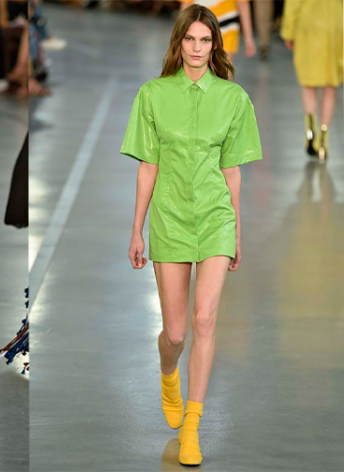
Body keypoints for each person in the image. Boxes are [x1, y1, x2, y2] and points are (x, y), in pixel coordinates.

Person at [120, 4, 262, 466]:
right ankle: (168, 374)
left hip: (216, 218)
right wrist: (136, 229)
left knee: (205, 321)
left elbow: (233, 170)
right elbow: (148, 166)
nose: (198, 49)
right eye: (190, 39)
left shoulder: (234, 98)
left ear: (215, 45)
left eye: (206, 40)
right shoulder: (153, 95)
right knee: (177, 333)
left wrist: (237, 232)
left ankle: (192, 427)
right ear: (178, 43)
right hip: (170, 218)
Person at [281, 0, 343, 161]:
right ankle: (323, 140)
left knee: (308, 82)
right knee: (330, 83)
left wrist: (289, 30)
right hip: (335, 24)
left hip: (308, 24)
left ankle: (310, 132)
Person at [179, 0, 256, 63]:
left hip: (226, 25)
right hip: (201, 27)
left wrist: (248, 37)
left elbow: (243, 3)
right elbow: (185, 4)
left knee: (222, 69)